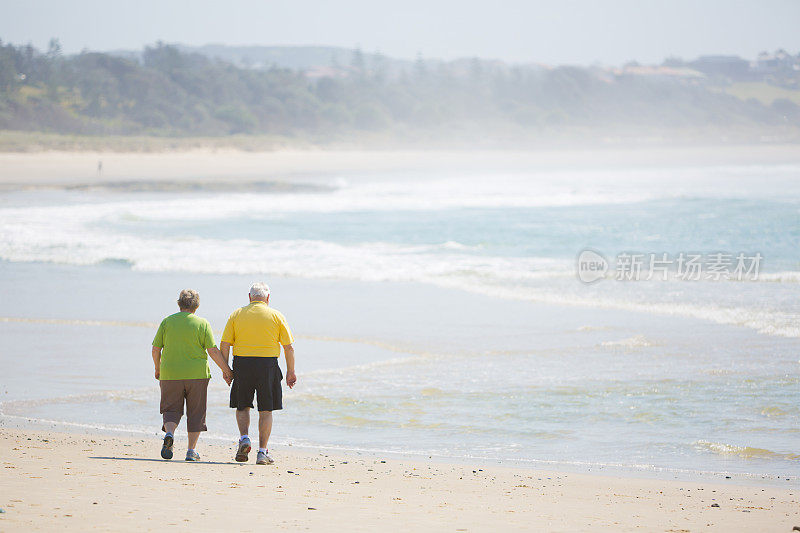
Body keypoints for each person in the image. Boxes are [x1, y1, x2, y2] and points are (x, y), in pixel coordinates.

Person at [152, 289, 233, 461]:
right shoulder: (202, 323)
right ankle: (191, 451)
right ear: (197, 305)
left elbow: (155, 349)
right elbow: (212, 351)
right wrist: (227, 371)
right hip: (197, 375)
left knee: (170, 410)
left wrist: (157, 368)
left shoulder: (167, 322)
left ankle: (170, 434)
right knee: (196, 412)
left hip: (170, 374)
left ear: (179, 303)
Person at [221, 282, 296, 465]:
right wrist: (290, 372)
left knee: (242, 406)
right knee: (266, 409)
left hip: (242, 364)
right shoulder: (276, 315)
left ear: (249, 297)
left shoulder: (237, 314)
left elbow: (224, 344)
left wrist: (226, 370)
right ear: (268, 298)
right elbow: (288, 347)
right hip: (267, 366)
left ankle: (244, 438)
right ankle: (262, 452)